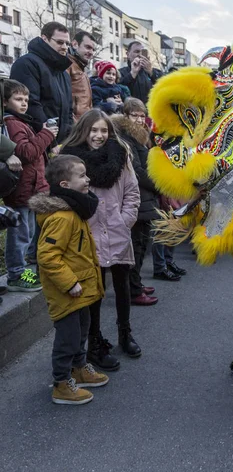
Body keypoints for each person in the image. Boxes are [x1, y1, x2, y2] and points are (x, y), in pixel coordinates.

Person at [61, 109, 141, 370]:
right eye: (94, 130)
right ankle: (95, 342)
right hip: (88, 235)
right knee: (94, 292)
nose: (99, 135)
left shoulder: (121, 155)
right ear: (84, 130)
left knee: (123, 286)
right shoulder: (70, 160)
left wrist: (124, 219)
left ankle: (124, 334)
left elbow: (132, 191)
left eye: (104, 130)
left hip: (117, 230)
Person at [30, 154, 109, 404]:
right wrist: (70, 283)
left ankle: (78, 367)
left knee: (82, 329)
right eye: (82, 176)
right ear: (65, 185)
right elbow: (48, 256)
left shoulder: (74, 211)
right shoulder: (62, 218)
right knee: (68, 338)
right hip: (68, 290)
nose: (88, 179)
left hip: (79, 288)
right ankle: (62, 384)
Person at [3, 79, 58, 291]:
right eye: (18, 99)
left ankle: (22, 271)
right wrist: (46, 134)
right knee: (20, 235)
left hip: (30, 190)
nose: (24, 103)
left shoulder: (21, 122)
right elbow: (26, 153)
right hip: (22, 191)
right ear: (6, 101)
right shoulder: (13, 123)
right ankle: (16, 275)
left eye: (26, 99)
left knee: (26, 235)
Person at [112, 98, 159, 306]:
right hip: (136, 198)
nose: (140, 119)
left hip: (144, 198)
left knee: (141, 244)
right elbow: (137, 172)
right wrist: (159, 184)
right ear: (126, 116)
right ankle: (133, 290)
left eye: (142, 115)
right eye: (135, 115)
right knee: (136, 246)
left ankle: (136, 284)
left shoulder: (138, 136)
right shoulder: (127, 138)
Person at [10, 22, 73, 144]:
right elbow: (31, 106)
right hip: (34, 144)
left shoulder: (64, 74)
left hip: (60, 146)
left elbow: (68, 111)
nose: (65, 47)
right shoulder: (27, 64)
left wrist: (68, 141)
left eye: (67, 43)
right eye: (60, 42)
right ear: (44, 39)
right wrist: (50, 142)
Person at [66, 31, 95, 123]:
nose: (91, 52)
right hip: (76, 124)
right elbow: (63, 98)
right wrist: (73, 123)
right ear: (75, 44)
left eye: (93, 49)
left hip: (84, 122)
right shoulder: (67, 65)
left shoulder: (81, 67)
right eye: (88, 47)